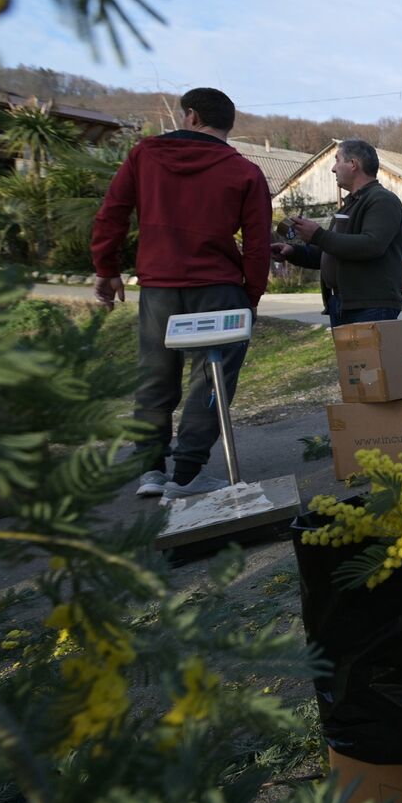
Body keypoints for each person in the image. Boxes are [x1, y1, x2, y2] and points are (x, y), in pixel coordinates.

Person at [92, 87, 272, 500]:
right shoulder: (245, 172)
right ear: (227, 124)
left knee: (155, 378)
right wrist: (252, 296)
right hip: (220, 290)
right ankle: (188, 474)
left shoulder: (145, 155)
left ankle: (151, 472)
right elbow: (258, 244)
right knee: (212, 381)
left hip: (159, 288)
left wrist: (107, 268)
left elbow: (112, 213)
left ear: (190, 116)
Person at [271, 139, 402, 328]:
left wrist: (318, 235)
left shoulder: (382, 200)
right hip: (343, 305)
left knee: (369, 359)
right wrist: (293, 252)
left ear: (353, 164)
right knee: (353, 360)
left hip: (371, 305)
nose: (333, 169)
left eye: (337, 160)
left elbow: (372, 245)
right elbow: (330, 252)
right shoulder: (349, 205)